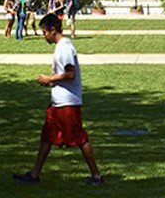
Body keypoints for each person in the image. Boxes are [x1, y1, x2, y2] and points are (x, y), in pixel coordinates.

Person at [13, 13, 104, 186]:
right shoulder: (60, 46)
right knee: (47, 137)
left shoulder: (65, 48)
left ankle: (96, 176)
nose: (43, 36)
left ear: (53, 30)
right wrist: (51, 82)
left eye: (44, 32)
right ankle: (34, 175)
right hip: (57, 102)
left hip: (67, 103)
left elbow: (70, 74)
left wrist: (50, 78)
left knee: (79, 137)